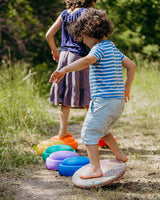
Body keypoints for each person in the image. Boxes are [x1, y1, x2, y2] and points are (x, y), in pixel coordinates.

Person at [49, 8, 136, 179]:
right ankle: (119, 155)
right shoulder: (112, 47)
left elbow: (87, 60)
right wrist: (127, 86)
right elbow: (131, 65)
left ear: (89, 33)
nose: (82, 42)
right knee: (103, 130)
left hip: (103, 101)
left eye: (82, 38)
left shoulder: (98, 49)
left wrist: (64, 69)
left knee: (88, 134)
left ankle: (95, 168)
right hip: (117, 102)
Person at [46, 0, 97, 139]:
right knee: (88, 95)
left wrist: (55, 51)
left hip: (63, 56)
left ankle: (62, 132)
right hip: (78, 56)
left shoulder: (64, 14)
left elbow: (48, 35)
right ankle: (99, 132)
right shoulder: (86, 13)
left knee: (65, 95)